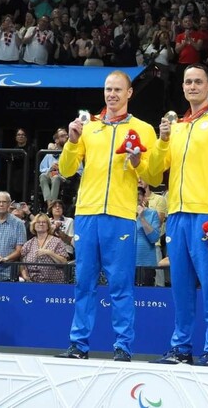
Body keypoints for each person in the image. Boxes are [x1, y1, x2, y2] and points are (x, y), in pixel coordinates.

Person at [56, 71, 161, 362]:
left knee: (121, 285)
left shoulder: (143, 129)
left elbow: (154, 174)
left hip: (120, 215)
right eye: (107, 89)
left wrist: (138, 162)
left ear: (129, 93)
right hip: (88, 214)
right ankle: (78, 345)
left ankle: (123, 347)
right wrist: (72, 142)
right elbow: (65, 170)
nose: (112, 94)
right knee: (84, 282)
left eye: (118, 89)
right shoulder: (88, 127)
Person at [148, 64, 208, 368]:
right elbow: (152, 172)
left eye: (198, 81)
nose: (192, 86)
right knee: (181, 286)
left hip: (206, 214)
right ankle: (181, 348)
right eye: (188, 81)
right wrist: (162, 139)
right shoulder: (176, 126)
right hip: (176, 213)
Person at [20, 213, 68, 283]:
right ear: (34, 225)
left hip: (54, 284)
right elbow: (22, 263)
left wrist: (50, 253)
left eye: (44, 222)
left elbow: (64, 262)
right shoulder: (28, 243)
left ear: (48, 226)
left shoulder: (57, 241)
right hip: (32, 283)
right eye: (38, 222)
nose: (41, 224)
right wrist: (24, 274)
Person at [134, 186, 161, 286]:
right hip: (127, 264)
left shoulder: (152, 213)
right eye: (133, 193)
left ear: (145, 197)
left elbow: (154, 238)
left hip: (146, 264)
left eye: (139, 194)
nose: (136, 196)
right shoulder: (124, 215)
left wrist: (142, 218)